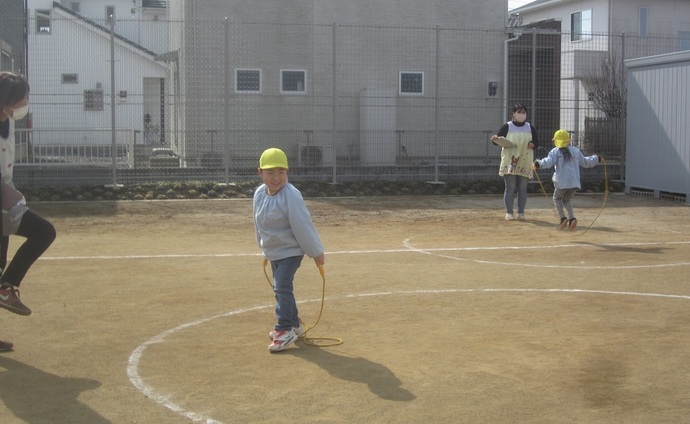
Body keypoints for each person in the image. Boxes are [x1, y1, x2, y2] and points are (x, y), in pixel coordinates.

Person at [0, 72, 57, 351]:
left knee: (42, 233)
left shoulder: (7, 121)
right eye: (21, 97)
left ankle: (6, 285)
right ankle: (6, 286)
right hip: (3, 199)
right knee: (43, 231)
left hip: (4, 202)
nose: (25, 102)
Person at [253, 148, 325, 353]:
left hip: (291, 251)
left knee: (281, 286)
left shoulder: (291, 196)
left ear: (287, 172)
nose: (276, 178)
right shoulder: (259, 194)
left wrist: (316, 252)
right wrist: (263, 247)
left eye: (281, 172)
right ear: (260, 173)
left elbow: (303, 225)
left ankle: (284, 328)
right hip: (274, 251)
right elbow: (258, 223)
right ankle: (295, 325)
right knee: (281, 288)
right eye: (270, 173)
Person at [532, 129, 601, 231]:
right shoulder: (575, 151)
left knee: (557, 198)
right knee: (567, 200)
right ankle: (572, 218)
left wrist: (538, 163)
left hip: (561, 182)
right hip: (574, 182)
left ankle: (563, 218)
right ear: (569, 140)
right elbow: (586, 162)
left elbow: (548, 162)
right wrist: (596, 158)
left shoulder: (555, 152)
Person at [490, 103, 539, 221]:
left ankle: (521, 212)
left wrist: (533, 144)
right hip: (509, 161)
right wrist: (495, 139)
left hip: (525, 161)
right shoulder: (507, 126)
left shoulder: (530, 127)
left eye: (523, 112)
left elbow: (536, 142)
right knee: (510, 188)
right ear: (513, 114)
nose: (521, 115)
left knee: (522, 188)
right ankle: (509, 212)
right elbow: (497, 140)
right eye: (519, 112)